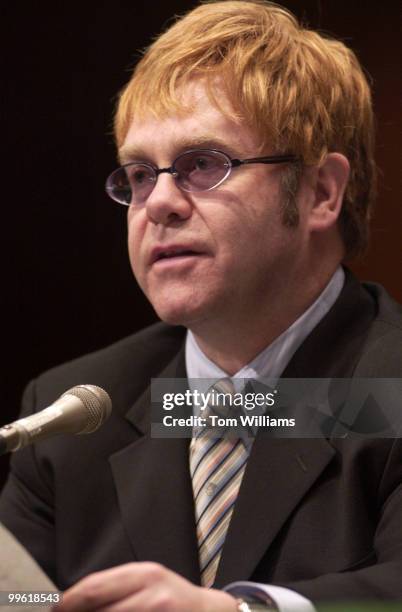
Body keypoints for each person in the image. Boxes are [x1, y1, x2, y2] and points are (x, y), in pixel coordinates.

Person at [1, 1, 401, 610]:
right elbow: (27, 602)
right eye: (139, 174)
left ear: (321, 192)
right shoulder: (70, 414)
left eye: (204, 165)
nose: (158, 203)